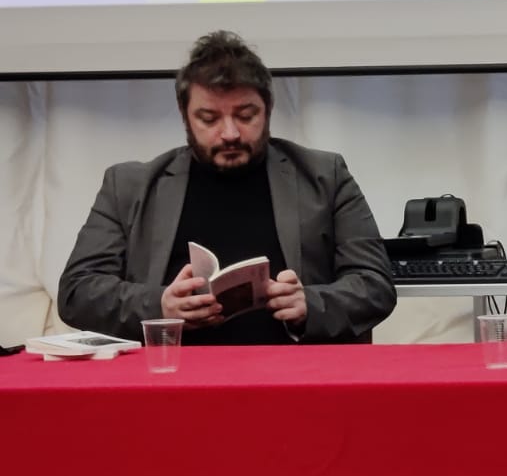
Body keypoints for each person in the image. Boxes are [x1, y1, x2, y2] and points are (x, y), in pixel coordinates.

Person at [58, 31, 395, 344]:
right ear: (185, 116)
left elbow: (375, 284)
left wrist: (310, 303)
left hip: (296, 374)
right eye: (209, 119)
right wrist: (159, 305)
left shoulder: (325, 176)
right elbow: (77, 292)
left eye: (246, 116)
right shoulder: (129, 187)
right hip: (171, 376)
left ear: (268, 109)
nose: (230, 133)